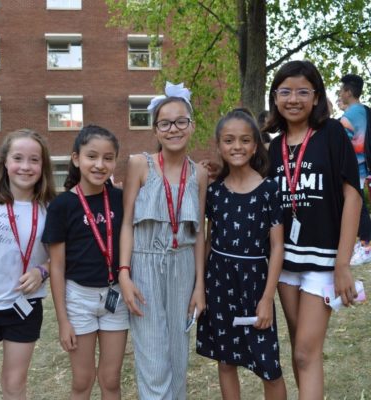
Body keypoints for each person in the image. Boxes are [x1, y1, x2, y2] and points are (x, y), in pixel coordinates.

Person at [265, 60, 362, 399]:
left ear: (316, 96)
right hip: (286, 263)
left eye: (303, 91)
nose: (294, 99)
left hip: (323, 261)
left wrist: (342, 263)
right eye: (285, 91)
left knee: (306, 352)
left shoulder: (332, 133)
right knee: (301, 352)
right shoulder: (273, 148)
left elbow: (353, 195)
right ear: (275, 97)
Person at [118, 81, 207, 399]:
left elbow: (199, 236)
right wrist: (124, 273)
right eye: (165, 123)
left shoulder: (199, 174)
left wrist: (199, 285)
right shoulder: (140, 165)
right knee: (153, 356)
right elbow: (127, 222)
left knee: (177, 356)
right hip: (144, 264)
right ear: (155, 130)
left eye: (181, 121)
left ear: (191, 125)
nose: (174, 129)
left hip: (183, 266)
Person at [196, 109, 287, 399]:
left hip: (255, 284)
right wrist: (200, 287)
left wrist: (266, 299)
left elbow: (277, 248)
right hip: (219, 283)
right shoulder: (214, 193)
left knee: (268, 366)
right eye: (229, 140)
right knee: (226, 361)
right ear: (219, 145)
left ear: (256, 145)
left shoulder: (269, 190)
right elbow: (207, 241)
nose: (237, 147)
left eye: (245, 140)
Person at [42, 125, 129, 400]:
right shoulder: (62, 205)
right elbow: (56, 266)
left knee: (111, 380)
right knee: (82, 381)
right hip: (79, 298)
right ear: (76, 158)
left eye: (108, 158)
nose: (100, 164)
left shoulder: (121, 198)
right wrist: (63, 321)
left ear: (115, 161)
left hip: (116, 297)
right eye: (92, 156)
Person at [0, 129, 55, 400]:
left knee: (15, 385)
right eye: (18, 158)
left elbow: (61, 258)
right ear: (5, 162)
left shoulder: (49, 207)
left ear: (43, 166)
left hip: (24, 307)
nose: (26, 166)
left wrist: (42, 271)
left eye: (34, 160)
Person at [339, 73, 371, 265]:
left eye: (341, 90)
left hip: (354, 168)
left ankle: (366, 246)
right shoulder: (364, 111)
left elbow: (342, 144)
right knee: (359, 207)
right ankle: (363, 245)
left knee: (357, 208)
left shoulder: (349, 116)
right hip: (363, 167)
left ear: (349, 92)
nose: (340, 93)